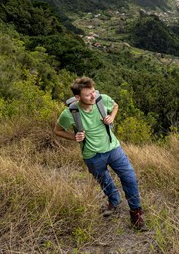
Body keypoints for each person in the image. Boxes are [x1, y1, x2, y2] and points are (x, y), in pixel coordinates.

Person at [54, 76, 147, 231]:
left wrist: (111, 117)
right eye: (88, 94)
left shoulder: (101, 99)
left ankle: (136, 214)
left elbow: (115, 106)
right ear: (77, 97)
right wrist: (73, 137)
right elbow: (57, 130)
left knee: (129, 177)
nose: (93, 96)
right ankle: (114, 200)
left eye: (93, 92)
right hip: (92, 155)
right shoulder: (70, 113)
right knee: (104, 180)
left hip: (113, 148)